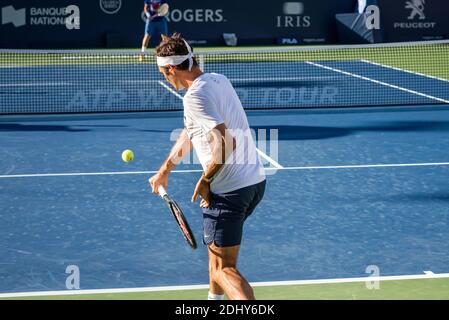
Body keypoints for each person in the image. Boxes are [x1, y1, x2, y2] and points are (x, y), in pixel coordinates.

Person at [149, 33, 266, 300]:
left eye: (162, 72)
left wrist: (206, 180)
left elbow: (226, 142)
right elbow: (192, 131)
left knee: (225, 268)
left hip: (229, 191)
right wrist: (165, 170)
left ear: (171, 68)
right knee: (216, 256)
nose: (164, 78)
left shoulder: (194, 97)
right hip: (255, 183)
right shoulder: (217, 80)